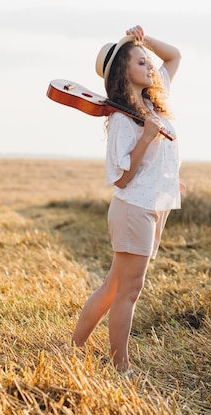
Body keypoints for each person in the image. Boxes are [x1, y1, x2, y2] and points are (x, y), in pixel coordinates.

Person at [72, 24, 182, 376]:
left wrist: (142, 40)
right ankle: (121, 367)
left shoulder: (152, 101)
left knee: (114, 286)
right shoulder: (122, 119)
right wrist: (146, 138)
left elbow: (175, 56)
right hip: (134, 207)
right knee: (128, 291)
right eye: (140, 62)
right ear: (123, 73)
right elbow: (121, 177)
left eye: (148, 62)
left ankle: (72, 348)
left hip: (155, 206)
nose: (150, 67)